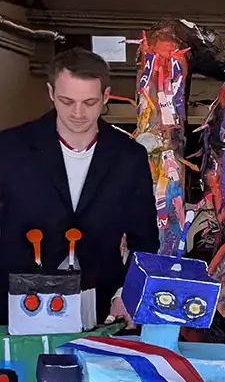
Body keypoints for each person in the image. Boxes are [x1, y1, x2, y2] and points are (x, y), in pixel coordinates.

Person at [0, 47, 158, 327]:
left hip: (100, 304)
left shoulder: (129, 157)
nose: (77, 113)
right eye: (66, 100)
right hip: (13, 301)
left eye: (89, 102)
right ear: (50, 93)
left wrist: (127, 293)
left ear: (106, 97)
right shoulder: (9, 148)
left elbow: (143, 240)